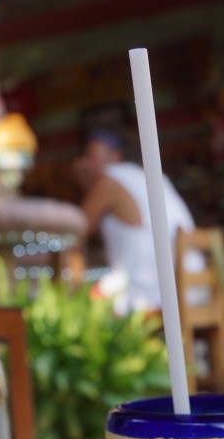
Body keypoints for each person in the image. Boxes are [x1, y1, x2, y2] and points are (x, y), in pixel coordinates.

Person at [72, 125, 201, 315]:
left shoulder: (109, 180)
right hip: (195, 291)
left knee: (84, 308)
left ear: (115, 157)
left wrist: (83, 183)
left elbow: (75, 233)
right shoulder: (152, 176)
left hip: (156, 296)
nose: (84, 163)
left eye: (91, 157)